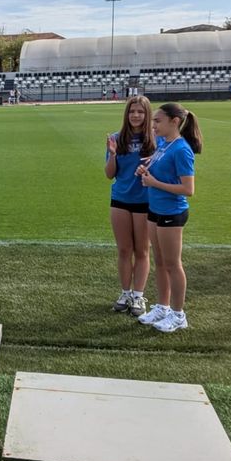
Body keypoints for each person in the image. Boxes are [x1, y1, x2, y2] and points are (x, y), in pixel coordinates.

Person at [137, 102, 203, 334]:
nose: (153, 125)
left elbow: (188, 189)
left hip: (171, 212)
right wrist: (146, 171)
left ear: (174, 122)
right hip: (155, 209)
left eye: (157, 121)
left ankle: (178, 314)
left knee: (173, 264)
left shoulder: (181, 149)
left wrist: (154, 183)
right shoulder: (164, 143)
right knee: (160, 262)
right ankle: (162, 307)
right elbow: (160, 171)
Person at [104, 96, 155, 317]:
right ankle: (125, 293)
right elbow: (109, 174)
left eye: (140, 112)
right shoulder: (116, 138)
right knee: (124, 250)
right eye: (132, 111)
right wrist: (113, 155)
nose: (135, 115)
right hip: (120, 200)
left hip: (145, 200)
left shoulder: (155, 139)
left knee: (142, 250)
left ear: (147, 114)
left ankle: (138, 295)